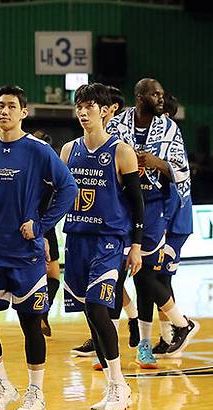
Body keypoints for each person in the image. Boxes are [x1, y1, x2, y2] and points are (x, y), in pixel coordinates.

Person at [0, 85, 76, 410]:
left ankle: (36, 394)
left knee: (31, 325)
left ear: (23, 112)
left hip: (26, 257)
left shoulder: (38, 150)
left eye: (11, 106)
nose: (4, 111)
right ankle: (3, 387)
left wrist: (42, 226)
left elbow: (68, 188)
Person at [60, 83, 143, 410]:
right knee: (89, 314)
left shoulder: (121, 151)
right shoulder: (68, 150)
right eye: (79, 105)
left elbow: (138, 204)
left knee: (98, 308)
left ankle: (118, 384)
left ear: (105, 111)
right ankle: (116, 384)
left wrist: (135, 246)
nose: (83, 111)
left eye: (90, 105)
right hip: (77, 238)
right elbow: (55, 195)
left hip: (110, 240)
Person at [106, 78, 198, 368]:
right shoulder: (118, 124)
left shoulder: (170, 128)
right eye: (155, 93)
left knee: (147, 274)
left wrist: (156, 162)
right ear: (140, 96)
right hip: (123, 206)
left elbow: (182, 172)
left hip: (158, 209)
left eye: (161, 93)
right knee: (120, 273)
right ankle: (119, 336)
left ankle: (153, 337)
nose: (161, 97)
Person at [153, 93, 194, 358]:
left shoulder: (168, 144)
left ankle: (182, 326)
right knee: (158, 278)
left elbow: (175, 186)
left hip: (173, 223)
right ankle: (167, 335)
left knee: (157, 278)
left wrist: (164, 226)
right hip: (167, 222)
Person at [31, 130, 58, 337]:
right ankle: (38, 312)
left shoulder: (46, 169)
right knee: (46, 272)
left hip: (45, 225)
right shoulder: (33, 171)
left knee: (52, 273)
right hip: (37, 225)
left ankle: (42, 312)